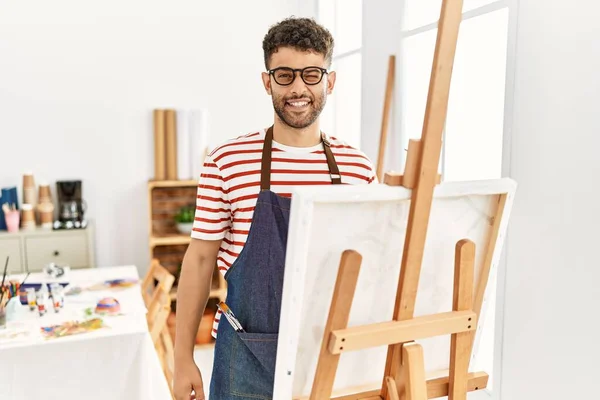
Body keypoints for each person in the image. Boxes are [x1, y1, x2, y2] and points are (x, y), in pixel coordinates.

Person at [173, 16, 377, 400]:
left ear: (329, 81)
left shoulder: (358, 169)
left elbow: (374, 268)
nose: (298, 87)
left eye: (312, 74)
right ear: (267, 81)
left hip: (333, 358)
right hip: (246, 361)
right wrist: (182, 358)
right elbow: (199, 260)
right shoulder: (226, 160)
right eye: (285, 75)